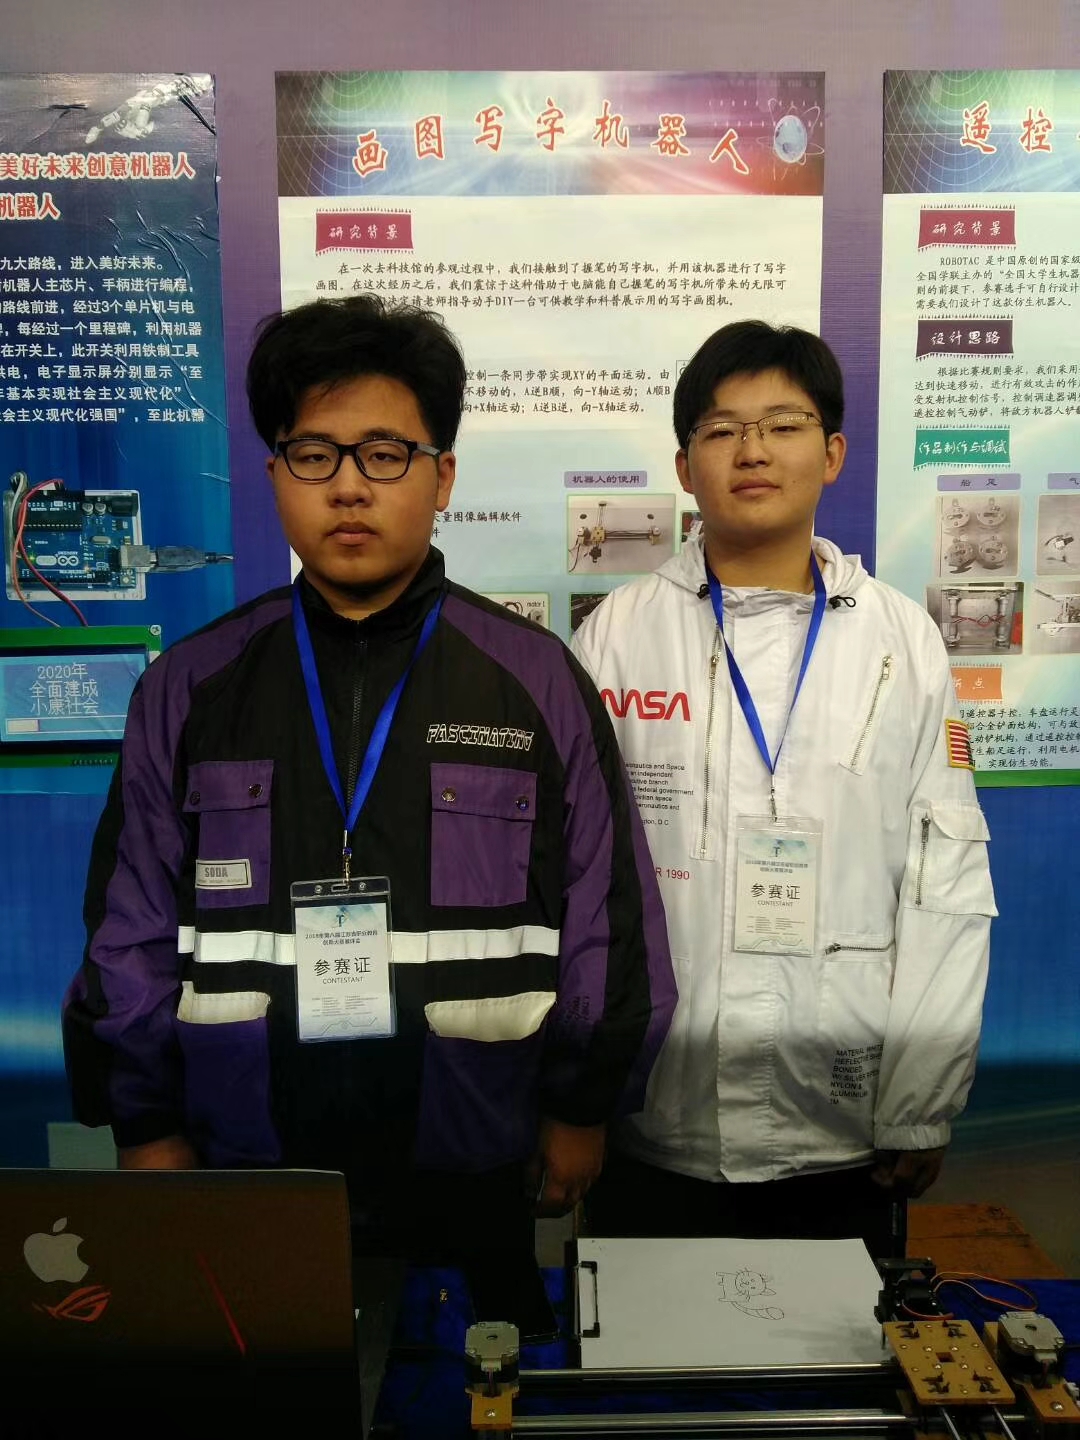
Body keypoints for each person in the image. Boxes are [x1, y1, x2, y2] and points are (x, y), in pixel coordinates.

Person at [64, 294, 675, 1272]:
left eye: (385, 454)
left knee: (475, 1364)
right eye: (315, 454)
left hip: (475, 1158)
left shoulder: (534, 681)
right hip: (245, 1162)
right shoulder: (190, 686)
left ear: (443, 477)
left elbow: (607, 911)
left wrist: (581, 1105)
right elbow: (130, 924)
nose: (349, 486)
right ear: (275, 474)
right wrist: (144, 1119)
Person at [571, 320, 996, 1259]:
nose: (753, 451)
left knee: (836, 1348)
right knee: (648, 1346)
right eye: (722, 430)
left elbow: (945, 879)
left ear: (832, 453)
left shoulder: (901, 640)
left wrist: (919, 1103)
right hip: (653, 1124)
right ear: (684, 467)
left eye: (783, 425)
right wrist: (578, 1098)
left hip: (841, 1128)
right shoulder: (618, 636)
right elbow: (578, 882)